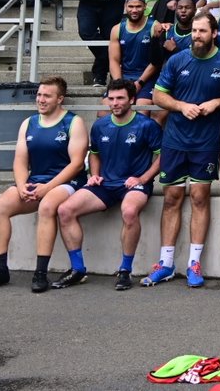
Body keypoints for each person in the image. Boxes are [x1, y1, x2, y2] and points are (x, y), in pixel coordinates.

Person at [146, 13, 220, 288]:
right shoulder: (177, 60)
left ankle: (194, 263)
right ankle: (165, 263)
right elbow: (158, 95)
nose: (196, 35)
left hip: (205, 142)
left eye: (202, 31)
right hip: (175, 140)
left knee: (200, 197)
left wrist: (218, 102)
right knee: (172, 198)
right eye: (194, 31)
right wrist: (180, 106)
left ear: (215, 34)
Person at [0, 76, 87, 293]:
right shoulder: (29, 123)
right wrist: (21, 185)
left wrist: (48, 187)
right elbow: (20, 160)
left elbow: (75, 165)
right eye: (39, 95)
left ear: (60, 99)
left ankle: (40, 273)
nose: (41, 100)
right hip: (36, 181)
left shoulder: (74, 122)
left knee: (47, 207)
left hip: (67, 181)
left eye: (47, 96)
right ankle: (0, 271)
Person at [52, 79, 161, 290]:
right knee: (65, 209)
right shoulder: (100, 125)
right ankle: (77, 270)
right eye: (111, 98)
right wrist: (94, 175)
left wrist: (143, 179)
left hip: (133, 184)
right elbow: (94, 154)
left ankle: (124, 271)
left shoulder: (147, 125)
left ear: (132, 99)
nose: (115, 103)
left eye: (120, 98)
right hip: (105, 184)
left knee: (129, 211)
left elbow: (161, 156)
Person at [108, 0, 158, 111]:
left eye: (138, 6)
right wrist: (119, 84)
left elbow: (156, 61)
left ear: (145, 6)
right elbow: (114, 60)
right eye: (131, 6)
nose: (134, 10)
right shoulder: (117, 29)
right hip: (125, 76)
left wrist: (140, 82)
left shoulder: (154, 26)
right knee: (104, 110)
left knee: (142, 107)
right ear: (125, 6)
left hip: (147, 77)